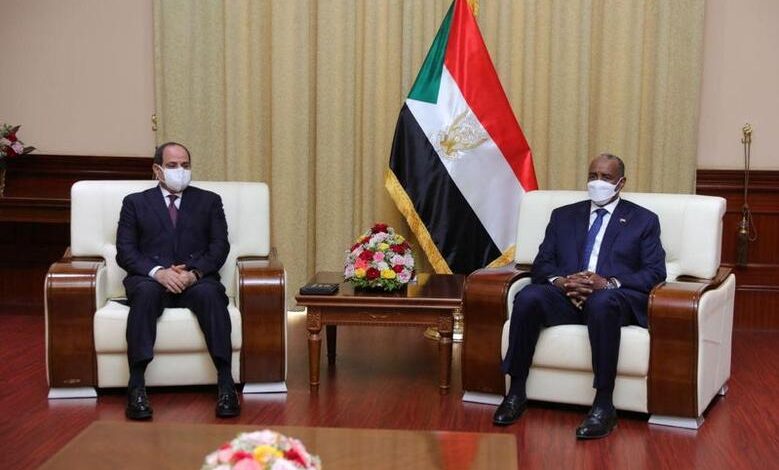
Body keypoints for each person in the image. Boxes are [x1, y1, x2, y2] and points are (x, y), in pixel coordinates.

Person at [493, 153, 666, 439]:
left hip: (611, 299)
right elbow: (542, 264)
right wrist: (562, 282)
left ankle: (604, 405)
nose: (598, 182)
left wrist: (607, 283)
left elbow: (655, 272)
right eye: (593, 176)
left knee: (601, 302)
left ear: (621, 182)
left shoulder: (643, 220)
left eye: (606, 177)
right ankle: (516, 392)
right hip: (567, 295)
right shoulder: (563, 216)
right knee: (529, 297)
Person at [116, 142, 240, 420]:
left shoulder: (209, 201)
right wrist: (158, 272)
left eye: (185, 165)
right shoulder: (135, 203)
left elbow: (219, 246)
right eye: (172, 166)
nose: (180, 170)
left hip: (195, 279)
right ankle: (136, 385)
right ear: (157, 169)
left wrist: (193, 274)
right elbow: (125, 251)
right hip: (151, 280)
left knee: (211, 296)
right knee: (145, 295)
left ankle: (226, 384)